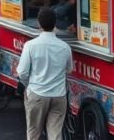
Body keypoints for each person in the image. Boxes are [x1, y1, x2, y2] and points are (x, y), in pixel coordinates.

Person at [17, 8, 73, 139]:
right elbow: (69, 69)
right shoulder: (65, 47)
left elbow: (22, 72)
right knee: (55, 133)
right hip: (59, 95)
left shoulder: (30, 45)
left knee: (34, 133)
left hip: (37, 93)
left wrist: (28, 86)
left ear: (38, 24)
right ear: (55, 24)